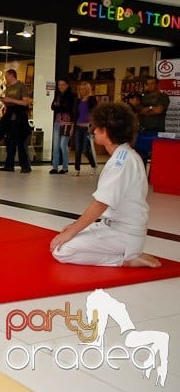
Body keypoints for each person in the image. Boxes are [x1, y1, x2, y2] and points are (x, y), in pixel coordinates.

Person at [50, 102, 160, 268]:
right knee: (67, 232)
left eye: (97, 128)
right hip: (114, 227)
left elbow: (101, 203)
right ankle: (126, 253)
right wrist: (74, 227)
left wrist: (74, 231)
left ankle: (125, 260)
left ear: (107, 131)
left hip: (124, 234)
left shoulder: (121, 161)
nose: (94, 131)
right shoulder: (124, 154)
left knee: (62, 250)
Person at [0, 69, 32, 173]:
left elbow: (25, 103)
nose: (6, 78)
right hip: (10, 114)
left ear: (12, 76)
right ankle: (9, 165)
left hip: (19, 115)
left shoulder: (21, 86)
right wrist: (5, 101)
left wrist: (11, 100)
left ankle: (25, 166)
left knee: (20, 142)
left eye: (7, 76)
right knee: (10, 141)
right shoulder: (8, 87)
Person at [49, 76, 76, 175]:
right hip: (57, 122)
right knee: (55, 146)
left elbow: (69, 109)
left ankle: (65, 167)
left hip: (67, 123)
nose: (61, 86)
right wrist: (59, 106)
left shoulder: (72, 96)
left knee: (63, 144)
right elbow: (53, 107)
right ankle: (55, 167)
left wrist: (59, 106)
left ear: (67, 85)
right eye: (59, 85)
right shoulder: (57, 95)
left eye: (63, 84)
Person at [72, 82, 97, 177]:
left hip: (88, 127)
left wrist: (93, 126)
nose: (83, 91)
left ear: (88, 89)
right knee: (77, 149)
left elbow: (95, 113)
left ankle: (93, 165)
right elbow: (75, 114)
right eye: (81, 89)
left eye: (85, 89)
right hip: (78, 126)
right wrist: (73, 127)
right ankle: (77, 169)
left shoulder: (92, 100)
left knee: (85, 149)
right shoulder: (77, 100)